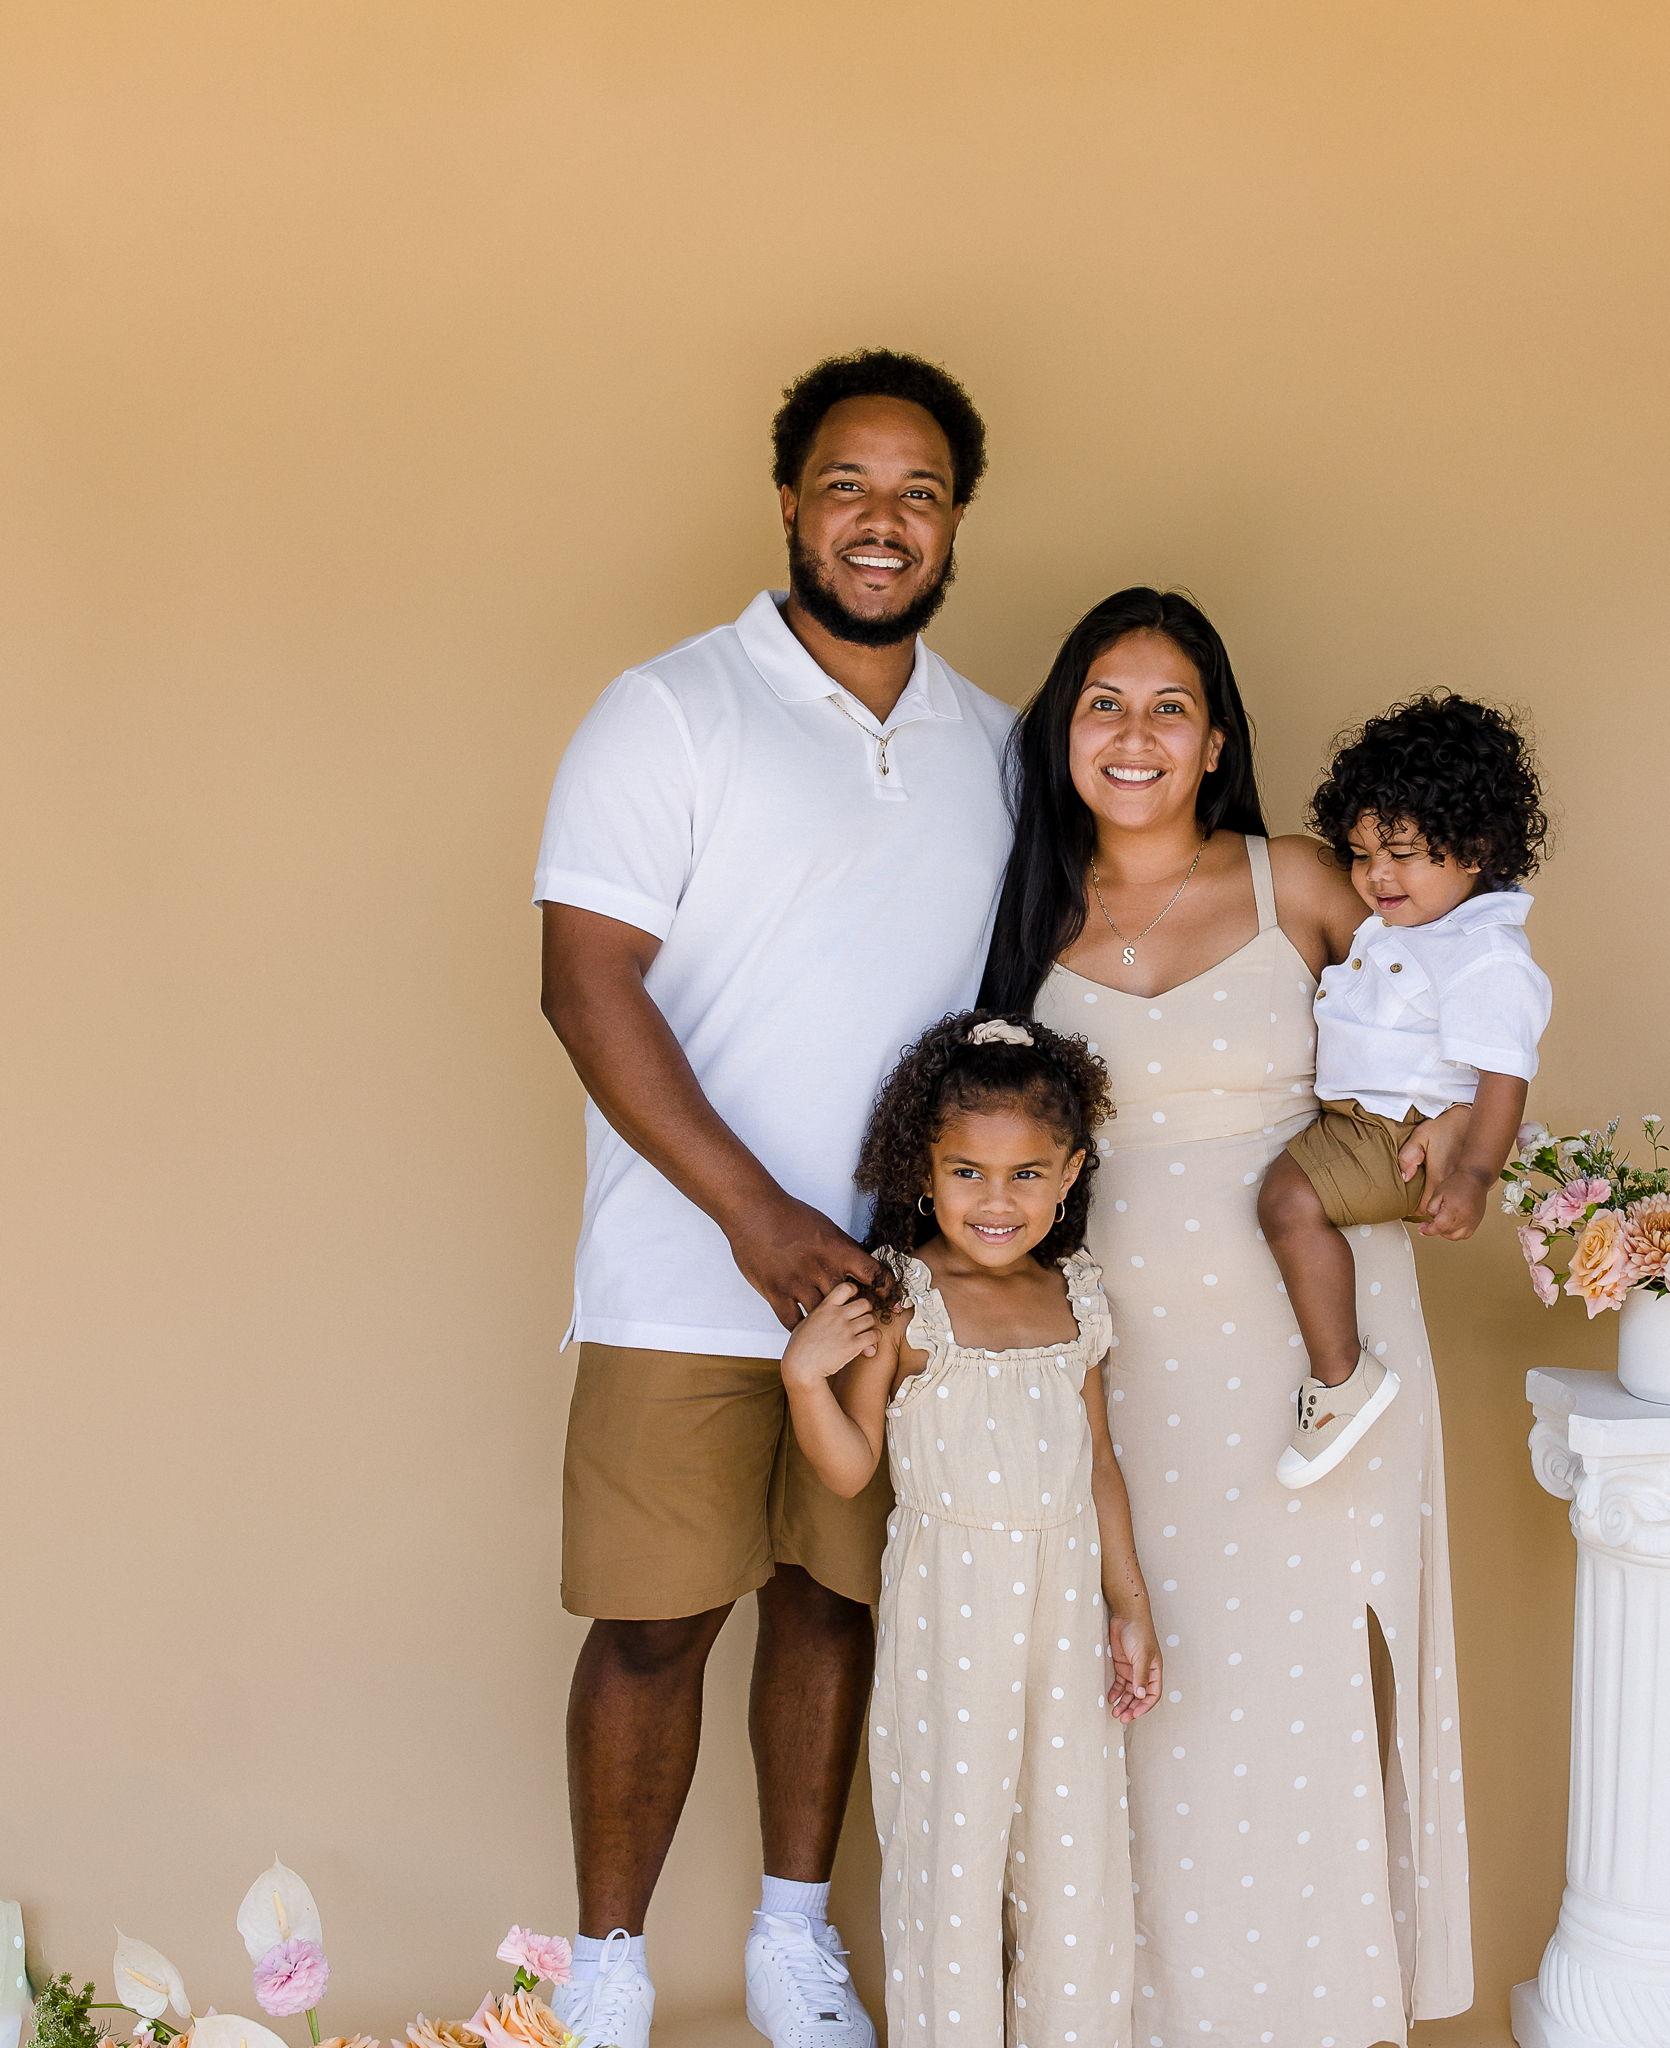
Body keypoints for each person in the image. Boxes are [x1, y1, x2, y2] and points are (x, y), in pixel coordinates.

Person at [533, 349, 1013, 2048]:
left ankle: (791, 1947)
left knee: (833, 1601)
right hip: (682, 1275)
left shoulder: (996, 745)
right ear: (791, 503)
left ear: (954, 524)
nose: (881, 521)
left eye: (918, 493)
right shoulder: (668, 710)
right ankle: (605, 1974)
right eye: (847, 485)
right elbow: (585, 982)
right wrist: (755, 1222)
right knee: (653, 1624)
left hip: (893, 1290)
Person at [983, 588, 1476, 2046]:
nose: (1134, 734)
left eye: (1170, 707)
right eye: (1104, 704)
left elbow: (1456, 1009)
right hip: (1126, 1370)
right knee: (1150, 1684)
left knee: (1302, 1684)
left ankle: (1316, 2014)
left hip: (1319, 1359)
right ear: (1064, 733)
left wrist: (1458, 1140)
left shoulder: (1300, 881)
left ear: (1215, 741)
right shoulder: (1027, 912)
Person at [779, 1010, 1160, 2047]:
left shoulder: (1075, 1297)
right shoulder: (904, 1301)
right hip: (952, 1606)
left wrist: (1128, 1605)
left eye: (1026, 1174)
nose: (996, 1202)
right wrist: (804, 1378)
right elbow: (850, 1468)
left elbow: (1099, 1464)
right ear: (924, 1170)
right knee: (951, 1841)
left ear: (1070, 1172)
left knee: (1072, 1839)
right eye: (967, 1173)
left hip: (1063, 1600)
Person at [1262, 693, 1553, 1487]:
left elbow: (1504, 1076)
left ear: (1475, 847)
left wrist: (1474, 1175)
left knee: (1286, 1205)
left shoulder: (1485, 954)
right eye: (1360, 854)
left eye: (1400, 853)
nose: (1375, 875)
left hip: (1396, 1133)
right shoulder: (1417, 925)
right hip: (1362, 1118)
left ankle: (1341, 1377)